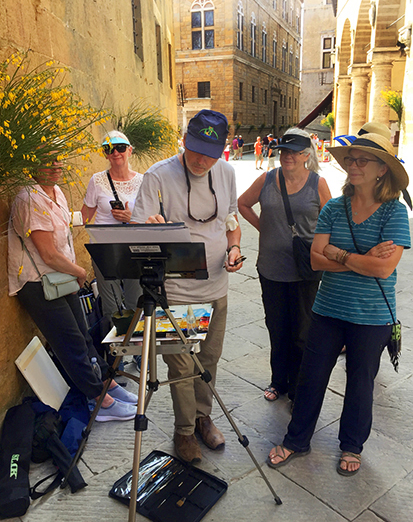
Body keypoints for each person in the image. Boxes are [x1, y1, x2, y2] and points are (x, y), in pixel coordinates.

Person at [266, 133, 410, 476]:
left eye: (363, 160)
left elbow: (383, 268)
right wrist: (359, 258)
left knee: (361, 383)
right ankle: (296, 439)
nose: (353, 166)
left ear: (381, 170)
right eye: (351, 160)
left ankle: (352, 446)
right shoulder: (334, 207)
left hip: (372, 315)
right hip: (328, 309)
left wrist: (340, 254)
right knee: (310, 378)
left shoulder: (395, 212)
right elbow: (316, 260)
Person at [131, 109, 244, 463]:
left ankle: (202, 417)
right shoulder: (157, 176)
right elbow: (138, 230)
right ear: (183, 141)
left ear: (221, 151)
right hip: (174, 292)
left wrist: (235, 247)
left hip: (216, 286)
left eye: (210, 155)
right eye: (195, 151)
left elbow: (231, 220)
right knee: (180, 367)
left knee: (208, 360)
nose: (201, 161)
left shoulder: (225, 172)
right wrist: (151, 227)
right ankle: (183, 432)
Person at [8, 159, 138, 422]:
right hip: (39, 282)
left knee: (83, 336)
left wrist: (72, 270)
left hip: (61, 278)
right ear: (33, 165)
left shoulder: (56, 193)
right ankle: (98, 401)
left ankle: (106, 382)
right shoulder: (29, 199)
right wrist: (79, 271)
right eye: (49, 161)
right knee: (71, 344)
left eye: (58, 160)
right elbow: (46, 253)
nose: (56, 166)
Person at [238, 128, 331, 407]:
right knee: (276, 328)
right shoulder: (267, 179)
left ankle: (299, 386)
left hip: (305, 270)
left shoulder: (318, 183)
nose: (288, 156)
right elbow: (242, 204)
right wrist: (262, 227)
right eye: (284, 151)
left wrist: (321, 247)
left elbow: (332, 221)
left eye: (294, 152)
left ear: (306, 155)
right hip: (271, 268)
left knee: (302, 332)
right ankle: (279, 380)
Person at [81, 131, 143, 321]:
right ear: (105, 154)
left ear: (130, 150)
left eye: (121, 148)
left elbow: (152, 218)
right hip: (104, 249)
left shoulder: (142, 180)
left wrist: (132, 217)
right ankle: (114, 349)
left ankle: (137, 347)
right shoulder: (97, 180)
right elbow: (85, 216)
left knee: (136, 302)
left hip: (134, 249)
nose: (116, 152)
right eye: (109, 149)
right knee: (111, 307)